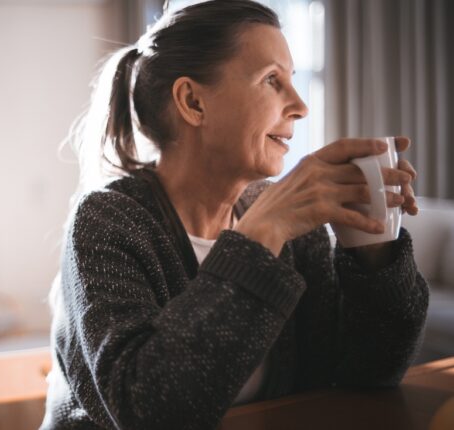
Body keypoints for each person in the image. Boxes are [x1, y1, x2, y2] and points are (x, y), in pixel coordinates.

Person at [39, 1, 429, 429]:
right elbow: (148, 411)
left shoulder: (294, 228)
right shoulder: (108, 220)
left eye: (293, 81)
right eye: (271, 81)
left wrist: (371, 247)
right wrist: (261, 235)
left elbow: (369, 373)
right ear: (193, 101)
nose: (300, 105)